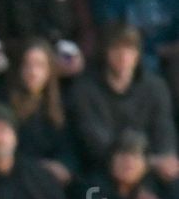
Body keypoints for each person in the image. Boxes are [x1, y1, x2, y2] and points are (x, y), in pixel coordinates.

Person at [67, 22, 179, 180]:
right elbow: (94, 142)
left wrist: (165, 159)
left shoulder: (156, 87)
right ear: (106, 51)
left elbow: (164, 133)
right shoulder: (84, 90)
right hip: (99, 173)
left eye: (129, 49)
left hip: (150, 174)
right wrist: (144, 161)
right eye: (116, 48)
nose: (123, 56)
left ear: (138, 53)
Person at [5, 39, 78, 186]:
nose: (33, 72)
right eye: (27, 65)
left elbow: (69, 146)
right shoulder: (5, 104)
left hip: (51, 181)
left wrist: (65, 166)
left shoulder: (61, 106)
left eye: (39, 66)